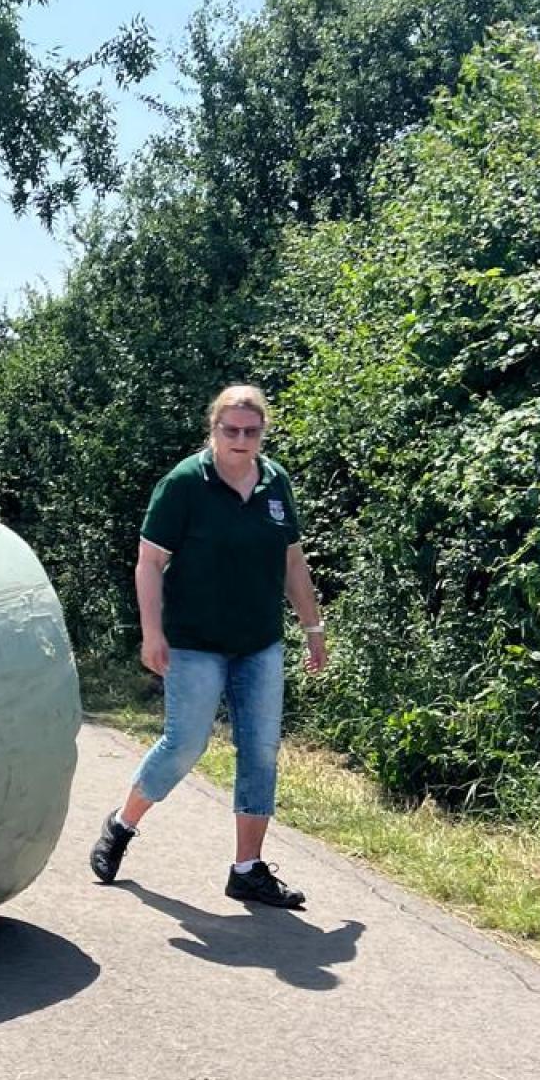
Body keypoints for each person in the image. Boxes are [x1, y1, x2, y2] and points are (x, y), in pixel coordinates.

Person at [89, 384, 328, 910]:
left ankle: (247, 870)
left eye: (251, 430)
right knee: (185, 744)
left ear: (263, 432)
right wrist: (152, 634)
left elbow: (292, 562)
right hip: (195, 642)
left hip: (260, 642)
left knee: (261, 751)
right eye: (231, 430)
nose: (241, 439)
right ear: (213, 431)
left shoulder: (274, 484)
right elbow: (149, 563)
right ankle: (121, 825)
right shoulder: (184, 484)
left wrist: (313, 629)